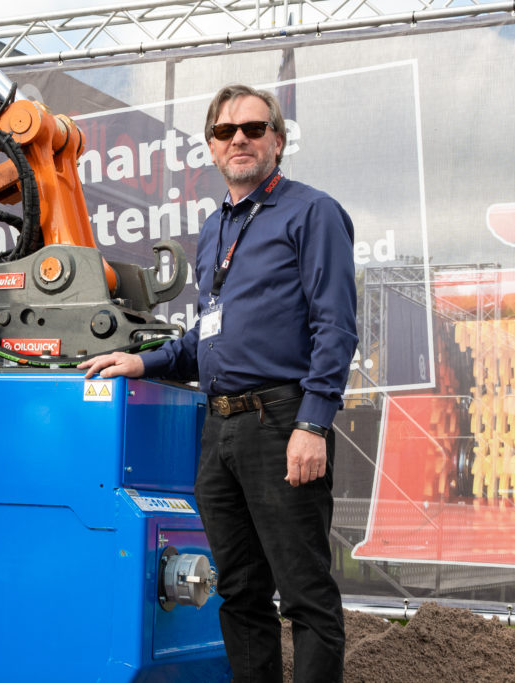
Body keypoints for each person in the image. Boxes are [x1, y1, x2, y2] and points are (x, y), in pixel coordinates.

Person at [79, 84, 356, 682]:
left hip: (282, 423)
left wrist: (313, 423)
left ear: (277, 142)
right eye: (226, 131)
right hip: (221, 428)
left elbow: (336, 326)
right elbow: (203, 337)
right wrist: (144, 362)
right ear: (210, 147)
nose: (240, 139)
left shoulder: (313, 212)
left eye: (254, 129)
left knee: (305, 596)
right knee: (240, 595)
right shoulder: (215, 230)